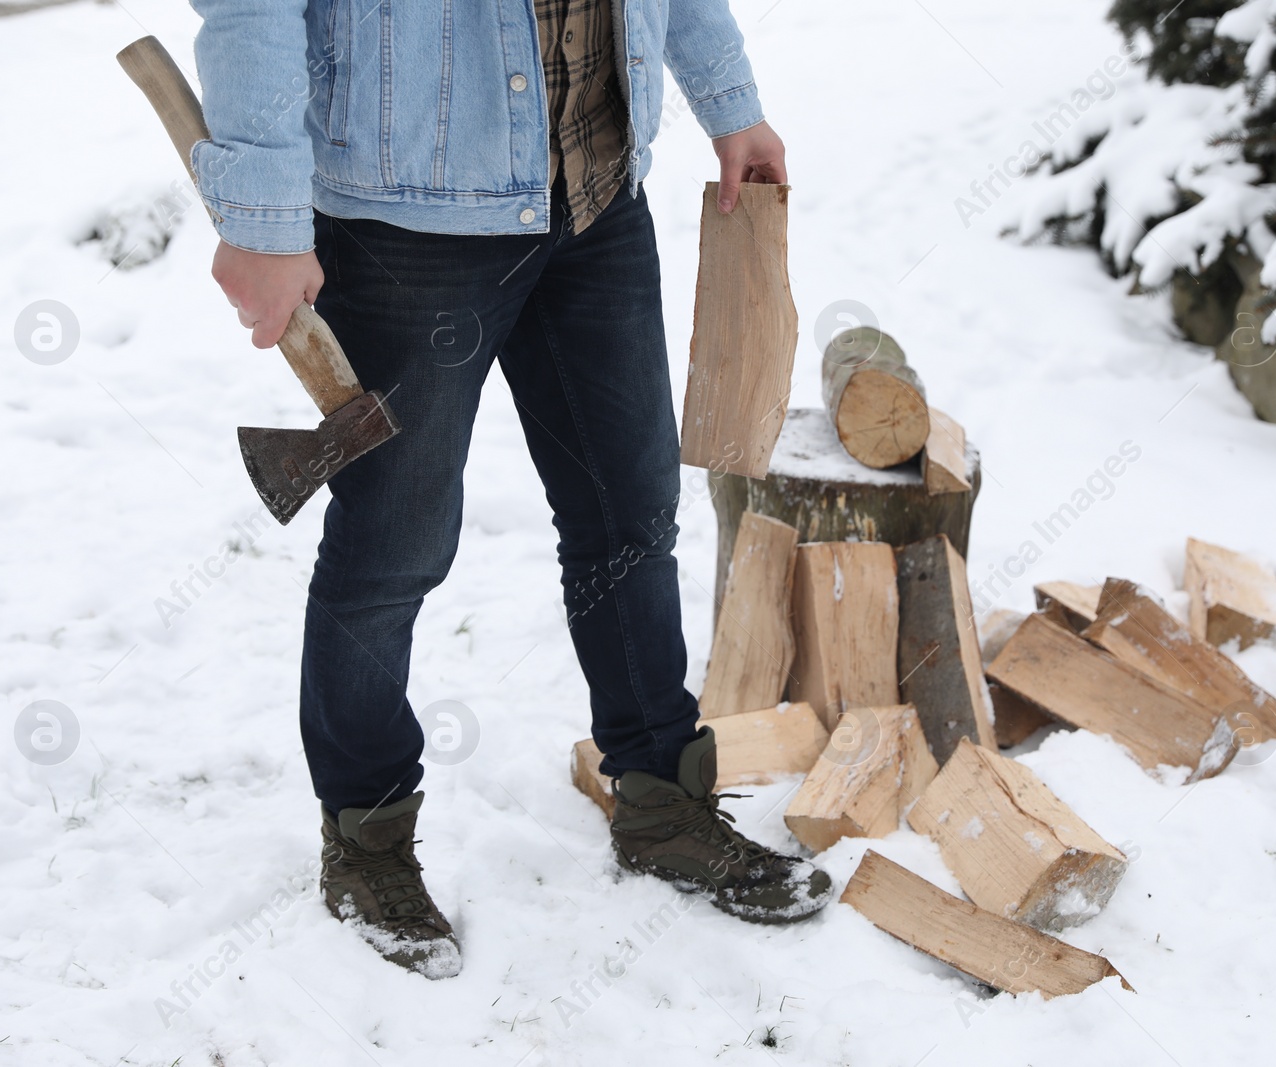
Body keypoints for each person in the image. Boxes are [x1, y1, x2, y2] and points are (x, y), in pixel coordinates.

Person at [189, 0, 831, 978]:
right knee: (396, 545)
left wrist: (729, 101)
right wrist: (263, 220)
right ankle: (366, 843)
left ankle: (662, 799)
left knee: (630, 512)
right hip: (406, 221)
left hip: (597, 193)